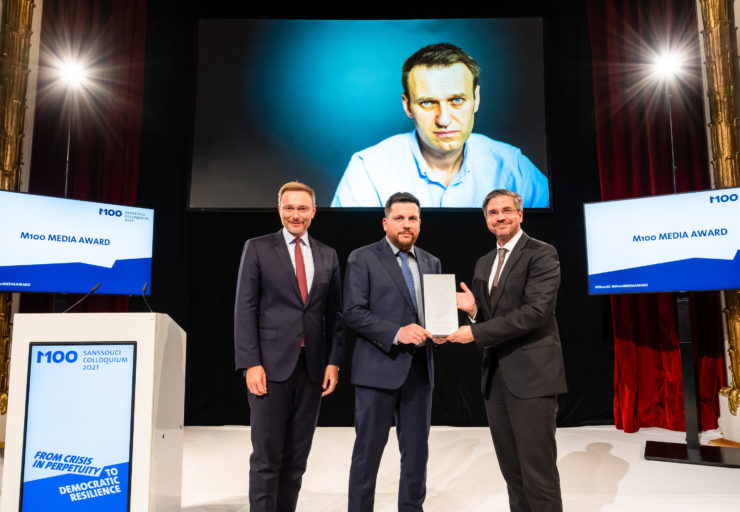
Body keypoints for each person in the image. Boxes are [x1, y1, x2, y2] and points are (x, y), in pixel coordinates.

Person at [445, 188, 566, 512]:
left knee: (538, 474)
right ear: (486, 219)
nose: (500, 217)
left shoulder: (542, 253)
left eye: (506, 211)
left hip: (533, 378)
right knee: (512, 472)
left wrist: (475, 332)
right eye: (493, 213)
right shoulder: (484, 262)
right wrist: (473, 311)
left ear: (520, 214)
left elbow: (535, 313)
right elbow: (492, 319)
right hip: (496, 378)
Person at [234, 181, 344, 512]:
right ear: (279, 209)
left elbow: (334, 314)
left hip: (312, 369)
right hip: (269, 367)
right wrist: (250, 362)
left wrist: (333, 362)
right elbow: (245, 308)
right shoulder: (257, 248)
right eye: (289, 208)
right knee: (266, 457)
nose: (296, 215)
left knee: (296, 459)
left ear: (314, 211)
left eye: (302, 208)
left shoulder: (328, 255)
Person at [331, 43, 549, 209]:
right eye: (427, 103)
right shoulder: (368, 170)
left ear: (476, 99)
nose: (443, 119)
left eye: (457, 100)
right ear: (407, 105)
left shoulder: (513, 167)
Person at [343, 192, 441, 512]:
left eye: (412, 218)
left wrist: (442, 329)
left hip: (419, 373)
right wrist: (397, 333)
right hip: (377, 370)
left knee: (416, 455)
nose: (406, 224)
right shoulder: (362, 257)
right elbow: (353, 312)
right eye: (399, 218)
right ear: (385, 223)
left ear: (420, 224)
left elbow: (434, 314)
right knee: (367, 454)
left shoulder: (431, 262)